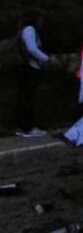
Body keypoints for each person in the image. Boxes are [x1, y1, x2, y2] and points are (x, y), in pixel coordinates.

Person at [14, 9, 50, 137]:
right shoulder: (30, 29)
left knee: (23, 97)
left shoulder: (21, 30)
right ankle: (28, 128)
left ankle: (21, 126)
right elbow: (32, 48)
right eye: (40, 19)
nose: (41, 22)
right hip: (30, 67)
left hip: (24, 67)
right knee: (29, 98)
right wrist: (46, 58)